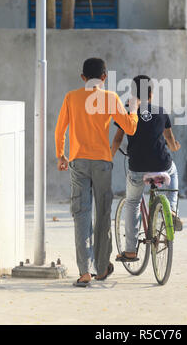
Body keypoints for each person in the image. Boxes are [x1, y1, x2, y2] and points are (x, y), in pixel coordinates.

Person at [55, 58, 139, 286]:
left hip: (78, 162)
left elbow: (60, 128)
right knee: (102, 213)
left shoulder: (71, 97)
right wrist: (133, 111)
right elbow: (130, 128)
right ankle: (101, 268)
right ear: (104, 77)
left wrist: (61, 155)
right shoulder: (110, 98)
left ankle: (84, 272)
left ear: (82, 77)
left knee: (81, 214)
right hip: (102, 163)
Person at [111, 75, 182, 263]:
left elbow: (118, 139)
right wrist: (175, 147)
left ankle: (130, 251)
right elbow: (170, 139)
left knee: (133, 202)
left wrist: (107, 158)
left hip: (137, 167)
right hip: (162, 164)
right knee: (173, 170)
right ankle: (172, 210)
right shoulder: (161, 112)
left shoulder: (127, 112)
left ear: (133, 93)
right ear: (151, 93)